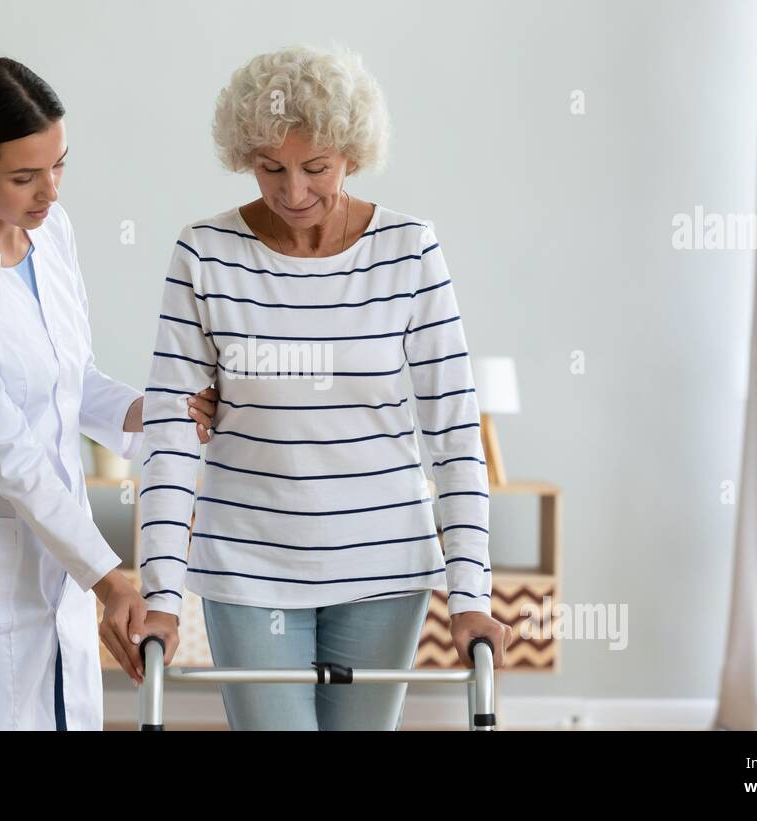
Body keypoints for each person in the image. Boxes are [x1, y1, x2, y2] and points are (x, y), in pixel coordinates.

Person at [136, 46, 512, 730]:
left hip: (384, 562)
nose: (292, 191)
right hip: (248, 562)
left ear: (352, 154)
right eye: (270, 168)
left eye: (316, 168)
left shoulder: (410, 251)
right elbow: (168, 437)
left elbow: (455, 434)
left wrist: (471, 595)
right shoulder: (204, 253)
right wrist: (159, 590)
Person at [0, 57, 217, 730]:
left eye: (60, 165)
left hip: (56, 563)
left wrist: (150, 410)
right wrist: (107, 575)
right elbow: (8, 451)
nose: (51, 193)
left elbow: (71, 380)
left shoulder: (50, 235)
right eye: (25, 176)